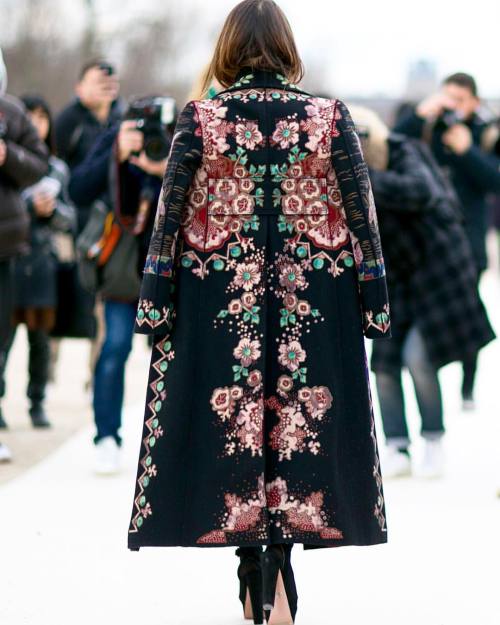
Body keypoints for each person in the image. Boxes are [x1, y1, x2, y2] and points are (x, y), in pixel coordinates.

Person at [126, 2, 391, 623]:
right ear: (287, 48)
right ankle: (280, 569)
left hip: (219, 294)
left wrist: (155, 302)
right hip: (315, 298)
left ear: (228, 50)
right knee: (298, 435)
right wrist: (374, 300)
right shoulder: (329, 116)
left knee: (234, 432)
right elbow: (361, 211)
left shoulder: (203, 116)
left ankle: (252, 566)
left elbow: (169, 215)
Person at [349, 106, 495, 479]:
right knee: (382, 366)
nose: (359, 145)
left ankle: (433, 438)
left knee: (419, 357)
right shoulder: (343, 174)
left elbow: (420, 192)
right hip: (394, 279)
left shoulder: (402, 150)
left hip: (437, 272)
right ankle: (398, 445)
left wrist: (361, 179)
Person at [69, 97, 170, 474]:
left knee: (174, 358)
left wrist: (165, 171)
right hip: (125, 271)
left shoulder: (179, 139)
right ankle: (106, 436)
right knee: (114, 348)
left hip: (169, 270)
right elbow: (77, 190)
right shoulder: (114, 139)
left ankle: (170, 444)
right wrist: (116, 152)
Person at [394, 73, 500, 410]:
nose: (453, 106)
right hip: (430, 243)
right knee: (431, 319)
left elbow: (494, 181)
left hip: (469, 243)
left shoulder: (487, 133)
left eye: (460, 100)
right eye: (448, 97)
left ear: (474, 102)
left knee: (467, 313)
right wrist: (423, 114)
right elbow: (393, 145)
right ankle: (430, 374)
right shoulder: (429, 128)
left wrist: (467, 151)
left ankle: (467, 387)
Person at [0, 95, 76, 428]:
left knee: (39, 340)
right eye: (31, 117)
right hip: (13, 253)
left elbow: (70, 217)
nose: (37, 124)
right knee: (5, 339)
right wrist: (29, 209)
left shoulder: (55, 169)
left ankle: (37, 400)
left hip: (40, 262)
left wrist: (53, 211)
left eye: (41, 118)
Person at [0, 48, 49, 432]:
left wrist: (6, 155)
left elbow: (39, 163)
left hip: (5, 243)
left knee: (2, 331)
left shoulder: (11, 112)